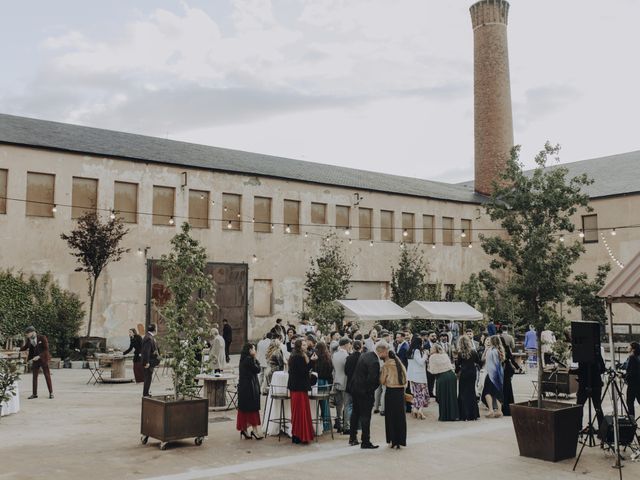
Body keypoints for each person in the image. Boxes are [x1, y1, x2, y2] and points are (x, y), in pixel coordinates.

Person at [349, 341, 390, 449]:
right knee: (365, 416)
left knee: (355, 413)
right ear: (382, 351)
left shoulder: (365, 355)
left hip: (355, 388)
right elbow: (372, 380)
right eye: (387, 352)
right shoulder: (374, 362)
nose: (387, 354)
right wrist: (370, 391)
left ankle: (352, 438)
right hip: (364, 392)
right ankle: (365, 441)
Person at [287, 339, 316, 444]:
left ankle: (297, 435)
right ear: (299, 347)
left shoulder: (295, 356)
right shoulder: (298, 357)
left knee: (298, 412)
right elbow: (303, 371)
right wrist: (312, 361)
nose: (306, 346)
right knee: (300, 412)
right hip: (298, 388)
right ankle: (299, 435)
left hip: (297, 388)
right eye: (303, 345)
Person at [380, 349, 408, 449]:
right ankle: (401, 440)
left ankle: (393, 440)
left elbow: (382, 380)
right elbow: (406, 381)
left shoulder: (386, 365)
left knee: (390, 417)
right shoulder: (401, 364)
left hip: (391, 393)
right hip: (400, 393)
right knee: (400, 417)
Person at [574, 349, 606, 431]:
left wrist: (571, 371)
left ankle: (578, 428)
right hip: (596, 385)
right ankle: (602, 429)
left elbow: (581, 371)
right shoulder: (597, 354)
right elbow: (602, 369)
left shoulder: (582, 355)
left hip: (584, 385)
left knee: (579, 407)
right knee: (598, 407)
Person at [237, 343, 263, 440]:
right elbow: (257, 369)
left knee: (245, 409)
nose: (255, 350)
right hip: (249, 388)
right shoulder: (249, 359)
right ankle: (255, 431)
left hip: (244, 388)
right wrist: (255, 358)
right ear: (249, 350)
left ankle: (244, 429)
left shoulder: (244, 359)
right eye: (254, 349)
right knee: (252, 409)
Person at [20, 326, 54, 399]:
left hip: (43, 359)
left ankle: (51, 393)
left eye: (27, 333)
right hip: (35, 360)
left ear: (32, 332)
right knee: (34, 377)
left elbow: (46, 350)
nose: (27, 335)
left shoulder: (42, 338)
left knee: (47, 376)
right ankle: (34, 394)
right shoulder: (29, 340)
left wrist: (39, 356)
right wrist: (18, 350)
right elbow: (25, 347)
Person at [428, 343, 458, 421]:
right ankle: (453, 415)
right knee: (452, 396)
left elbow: (432, 371)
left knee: (442, 397)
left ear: (434, 349)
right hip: (451, 376)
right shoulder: (444, 355)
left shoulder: (432, 357)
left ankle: (445, 416)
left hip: (442, 377)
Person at [456, 335, 480, 421]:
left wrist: (456, 372)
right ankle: (473, 415)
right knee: (471, 392)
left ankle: (463, 414)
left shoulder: (460, 353)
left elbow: (458, 365)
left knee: (462, 393)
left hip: (464, 373)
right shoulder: (473, 352)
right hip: (472, 373)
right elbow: (478, 362)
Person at [407, 335, 429, 419]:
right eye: (422, 343)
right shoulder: (416, 351)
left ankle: (415, 409)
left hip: (413, 376)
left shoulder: (410, 351)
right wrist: (426, 355)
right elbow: (420, 362)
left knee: (416, 394)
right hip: (418, 376)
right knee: (421, 394)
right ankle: (420, 410)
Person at [482, 335, 504, 418]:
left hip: (491, 373)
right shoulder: (499, 350)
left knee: (487, 392)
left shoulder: (490, 350)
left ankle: (491, 410)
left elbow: (484, 359)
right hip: (499, 374)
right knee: (498, 392)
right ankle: (499, 410)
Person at [332, 337, 351, 433]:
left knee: (338, 405)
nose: (350, 346)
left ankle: (338, 423)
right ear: (345, 345)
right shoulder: (346, 355)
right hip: (345, 382)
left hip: (336, 381)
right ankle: (346, 426)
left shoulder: (335, 355)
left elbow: (334, 370)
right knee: (347, 405)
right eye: (349, 344)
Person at [343, 340, 362, 436]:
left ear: (353, 347)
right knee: (358, 406)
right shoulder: (363, 358)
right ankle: (358, 425)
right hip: (359, 386)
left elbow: (346, 371)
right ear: (361, 347)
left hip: (349, 384)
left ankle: (347, 426)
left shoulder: (349, 358)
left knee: (347, 406)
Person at [314, 341, 333, 433]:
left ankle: (318, 423)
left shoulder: (316, 358)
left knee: (316, 403)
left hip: (317, 381)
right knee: (325, 404)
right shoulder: (328, 358)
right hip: (325, 382)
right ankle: (326, 424)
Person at [499, 336, 519, 416]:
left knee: (504, 389)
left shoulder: (498, 349)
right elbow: (511, 358)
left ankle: (505, 408)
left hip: (504, 370)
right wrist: (517, 366)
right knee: (507, 388)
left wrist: (517, 366)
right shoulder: (506, 347)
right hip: (507, 370)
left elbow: (510, 358)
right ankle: (508, 408)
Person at [141, 324, 160, 397]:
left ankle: (146, 393)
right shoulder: (149, 338)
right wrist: (147, 362)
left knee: (148, 377)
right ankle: (145, 394)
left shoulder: (149, 336)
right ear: (155, 329)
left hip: (150, 361)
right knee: (147, 378)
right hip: (149, 362)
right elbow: (146, 351)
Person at [625, 342, 640, 418]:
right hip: (638, 384)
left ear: (633, 349)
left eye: (629, 346)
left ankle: (632, 421)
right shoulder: (637, 357)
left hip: (633, 385)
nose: (627, 348)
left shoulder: (632, 357)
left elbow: (631, 372)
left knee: (630, 403)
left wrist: (624, 376)